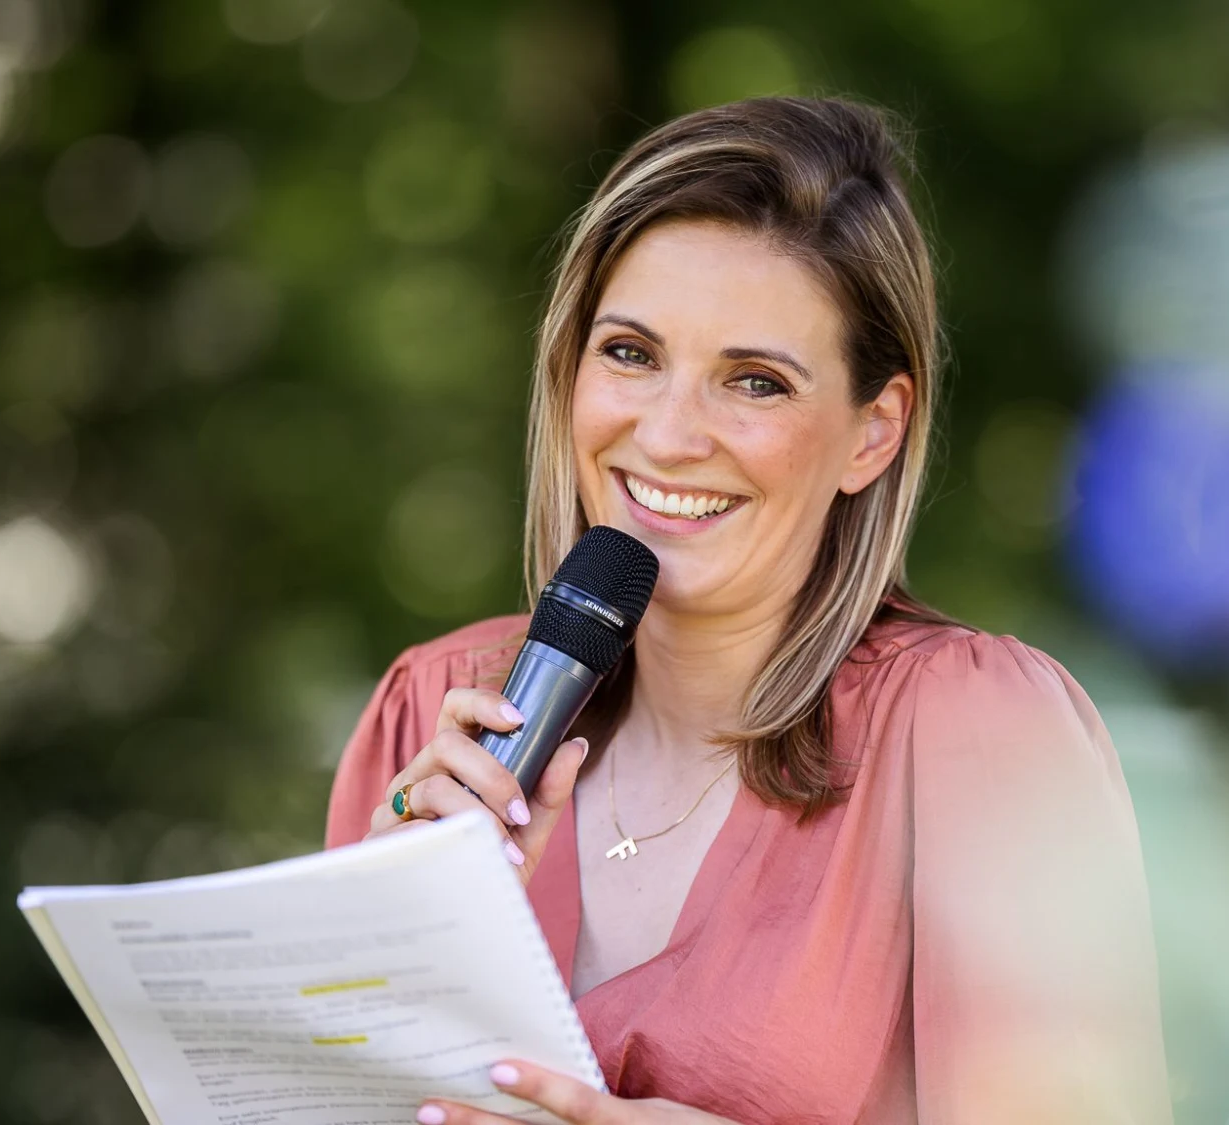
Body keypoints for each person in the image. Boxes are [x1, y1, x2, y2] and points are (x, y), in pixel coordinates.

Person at [325, 96, 1171, 1125]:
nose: (670, 434)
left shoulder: (974, 733)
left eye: (755, 383)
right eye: (630, 354)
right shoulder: (433, 713)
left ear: (871, 433)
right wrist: (368, 949)